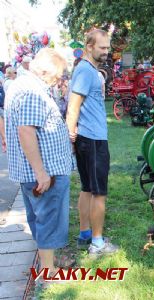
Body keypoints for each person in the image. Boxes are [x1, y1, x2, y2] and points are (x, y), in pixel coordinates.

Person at [4, 48, 72, 278]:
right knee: (48, 218)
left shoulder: (22, 85)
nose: (60, 78)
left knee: (40, 217)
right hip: (45, 172)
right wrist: (41, 172)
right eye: (59, 73)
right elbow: (26, 131)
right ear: (46, 70)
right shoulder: (33, 91)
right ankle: (48, 271)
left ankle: (48, 260)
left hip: (37, 170)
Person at [66, 29, 119, 256]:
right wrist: (70, 137)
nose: (106, 52)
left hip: (89, 139)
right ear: (89, 46)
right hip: (93, 140)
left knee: (88, 188)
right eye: (102, 48)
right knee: (99, 193)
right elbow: (73, 106)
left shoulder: (87, 70)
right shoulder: (86, 71)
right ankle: (97, 244)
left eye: (108, 47)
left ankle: (85, 233)